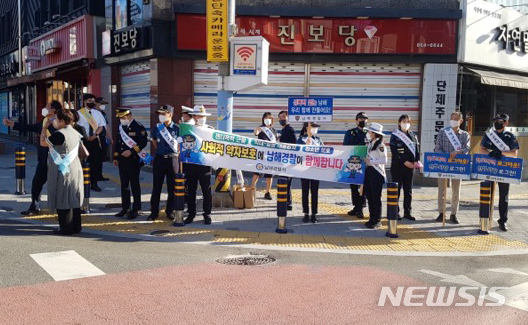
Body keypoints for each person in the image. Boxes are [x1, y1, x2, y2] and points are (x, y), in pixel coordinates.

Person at [3, 102, 58, 215]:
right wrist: (13, 124)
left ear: (53, 110)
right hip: (43, 160)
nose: (44, 108)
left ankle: (62, 210)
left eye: (47, 107)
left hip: (56, 160)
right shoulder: (44, 122)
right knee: (36, 183)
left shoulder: (58, 123)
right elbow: (31, 127)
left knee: (57, 186)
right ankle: (35, 206)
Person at [40, 106, 86, 235]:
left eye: (55, 119)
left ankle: (66, 228)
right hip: (75, 167)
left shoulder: (60, 134)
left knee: (63, 197)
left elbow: (43, 143)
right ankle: (76, 226)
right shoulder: (75, 132)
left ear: (61, 121)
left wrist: (44, 128)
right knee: (74, 198)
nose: (53, 122)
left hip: (63, 169)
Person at [479, 113, 519, 232]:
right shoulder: (490, 134)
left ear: (506, 123)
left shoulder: (510, 136)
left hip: (504, 169)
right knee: (488, 194)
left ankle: (503, 221)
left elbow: (514, 154)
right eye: (496, 121)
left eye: (500, 122)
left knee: (503, 197)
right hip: (490, 168)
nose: (497, 124)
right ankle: (486, 218)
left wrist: (500, 154)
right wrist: (490, 154)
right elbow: (481, 149)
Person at [434, 111, 471, 224]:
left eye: (456, 119)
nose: (453, 121)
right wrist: (445, 157)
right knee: (442, 190)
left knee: (456, 190)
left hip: (457, 166)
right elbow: (437, 148)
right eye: (452, 118)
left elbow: (466, 149)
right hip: (444, 165)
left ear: (461, 121)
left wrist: (457, 152)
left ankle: (454, 214)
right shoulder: (443, 132)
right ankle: (441, 212)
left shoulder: (465, 135)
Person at [113, 108, 148, 220]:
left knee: (134, 184)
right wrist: (116, 156)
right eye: (120, 118)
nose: (121, 120)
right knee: (124, 185)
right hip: (122, 160)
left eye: (123, 117)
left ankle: (136, 208)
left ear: (129, 116)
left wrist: (131, 151)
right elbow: (118, 142)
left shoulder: (138, 127)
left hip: (133, 160)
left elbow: (143, 142)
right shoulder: (121, 127)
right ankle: (125, 207)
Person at [148, 105, 180, 221]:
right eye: (159, 114)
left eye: (163, 114)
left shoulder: (177, 129)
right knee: (156, 187)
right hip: (160, 159)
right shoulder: (157, 128)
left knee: (172, 188)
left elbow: (180, 146)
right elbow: (155, 143)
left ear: (170, 114)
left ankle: (170, 211)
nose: (160, 116)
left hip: (172, 160)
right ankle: (154, 212)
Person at [184, 105, 214, 225]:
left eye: (203, 116)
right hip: (191, 165)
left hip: (205, 165)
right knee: (191, 191)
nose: (201, 118)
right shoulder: (188, 129)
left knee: (206, 191)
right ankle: (191, 214)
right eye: (199, 116)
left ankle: (207, 214)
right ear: (195, 117)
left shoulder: (210, 129)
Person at [389, 114, 420, 221]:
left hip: (410, 167)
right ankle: (395, 212)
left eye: (408, 121)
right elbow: (395, 151)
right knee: (396, 190)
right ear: (399, 123)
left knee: (408, 190)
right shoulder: (395, 135)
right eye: (404, 121)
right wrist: (405, 161)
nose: (406, 123)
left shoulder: (413, 135)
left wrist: (416, 161)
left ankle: (408, 212)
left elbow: (417, 149)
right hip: (398, 166)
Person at [77, 94, 107, 192]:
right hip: (82, 141)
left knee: (95, 163)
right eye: (90, 100)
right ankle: (81, 183)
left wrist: (95, 135)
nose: (92, 102)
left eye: (93, 100)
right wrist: (84, 137)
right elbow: (76, 128)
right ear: (85, 101)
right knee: (82, 162)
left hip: (94, 140)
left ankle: (94, 183)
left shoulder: (98, 114)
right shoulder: (79, 113)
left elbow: (101, 126)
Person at [343, 112, 369, 218]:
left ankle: (361, 208)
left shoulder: (370, 133)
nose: (362, 121)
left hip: (366, 163)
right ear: (356, 120)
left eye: (365, 119)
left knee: (363, 186)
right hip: (353, 163)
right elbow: (345, 146)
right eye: (360, 119)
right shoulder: (350, 133)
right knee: (354, 186)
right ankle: (356, 206)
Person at [297, 122, 323, 223]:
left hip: (316, 169)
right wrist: (305, 145)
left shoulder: (318, 139)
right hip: (304, 169)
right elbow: (298, 152)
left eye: (316, 127)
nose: (315, 129)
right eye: (314, 127)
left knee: (315, 192)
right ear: (307, 127)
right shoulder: (301, 139)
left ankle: (314, 214)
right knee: (305, 192)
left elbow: (324, 152)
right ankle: (306, 213)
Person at [363, 122, 387, 229]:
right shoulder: (370, 143)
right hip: (369, 171)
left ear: (374, 133)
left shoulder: (381, 145)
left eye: (369, 131)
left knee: (376, 197)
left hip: (377, 173)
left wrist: (371, 160)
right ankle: (372, 218)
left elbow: (384, 159)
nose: (368, 133)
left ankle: (377, 220)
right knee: (369, 196)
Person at [252, 112, 277, 200]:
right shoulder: (261, 128)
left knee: (269, 174)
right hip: (261, 154)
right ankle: (252, 189)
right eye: (266, 118)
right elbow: (255, 133)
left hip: (270, 155)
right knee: (257, 172)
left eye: (269, 118)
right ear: (263, 119)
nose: (268, 119)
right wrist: (257, 130)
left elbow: (276, 141)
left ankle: (267, 192)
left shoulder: (273, 130)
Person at [278, 110, 297, 210]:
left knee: (287, 181)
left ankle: (288, 202)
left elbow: (294, 143)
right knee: (284, 180)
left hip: (288, 159)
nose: (282, 119)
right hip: (283, 159)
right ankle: (284, 201)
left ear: (288, 118)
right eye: (280, 117)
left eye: (283, 117)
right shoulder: (283, 129)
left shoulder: (290, 129)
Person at [95, 97, 111, 180]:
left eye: (104, 104)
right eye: (101, 104)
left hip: (103, 137)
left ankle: (99, 175)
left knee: (101, 157)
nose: (103, 106)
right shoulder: (92, 113)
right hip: (95, 137)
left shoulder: (103, 114)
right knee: (95, 157)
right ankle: (94, 176)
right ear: (96, 103)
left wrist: (110, 137)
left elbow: (106, 125)